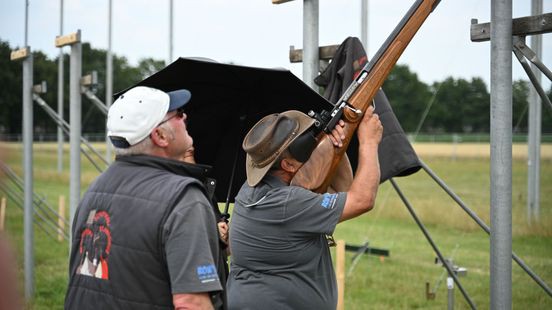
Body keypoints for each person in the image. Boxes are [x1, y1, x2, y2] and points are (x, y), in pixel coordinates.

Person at [65, 86, 227, 310]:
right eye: (178, 114)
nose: (185, 116)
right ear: (160, 136)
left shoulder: (95, 190)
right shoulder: (183, 198)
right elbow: (191, 303)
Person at [227, 107, 382, 309]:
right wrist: (369, 143)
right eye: (306, 142)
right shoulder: (288, 202)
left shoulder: (251, 189)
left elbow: (341, 190)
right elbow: (362, 200)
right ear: (288, 166)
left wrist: (335, 148)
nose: (312, 141)